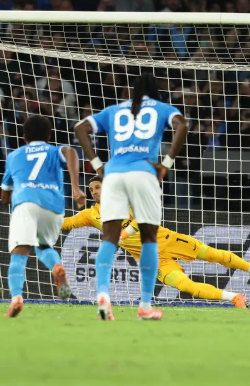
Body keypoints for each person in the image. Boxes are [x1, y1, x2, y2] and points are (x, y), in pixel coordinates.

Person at [63, 176, 250, 308]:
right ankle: (235, 298)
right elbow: (65, 223)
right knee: (186, 286)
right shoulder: (91, 215)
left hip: (167, 240)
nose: (94, 192)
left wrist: (123, 236)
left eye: (98, 187)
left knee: (215, 255)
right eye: (91, 189)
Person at [75, 73, 188, 321]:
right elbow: (182, 125)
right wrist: (166, 164)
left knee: (109, 237)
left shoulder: (114, 110)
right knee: (149, 238)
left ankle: (103, 297)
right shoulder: (161, 108)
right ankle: (145, 305)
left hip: (113, 175)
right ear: (155, 90)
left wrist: (98, 165)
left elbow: (80, 127)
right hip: (144, 173)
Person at [0, 115, 85, 318]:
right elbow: (71, 152)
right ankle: (57, 267)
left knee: (19, 253)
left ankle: (16, 298)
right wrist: (75, 187)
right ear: (49, 137)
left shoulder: (14, 156)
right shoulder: (54, 150)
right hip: (53, 207)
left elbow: (4, 196)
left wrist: (10, 195)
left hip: (26, 203)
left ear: (24, 137)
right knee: (43, 246)